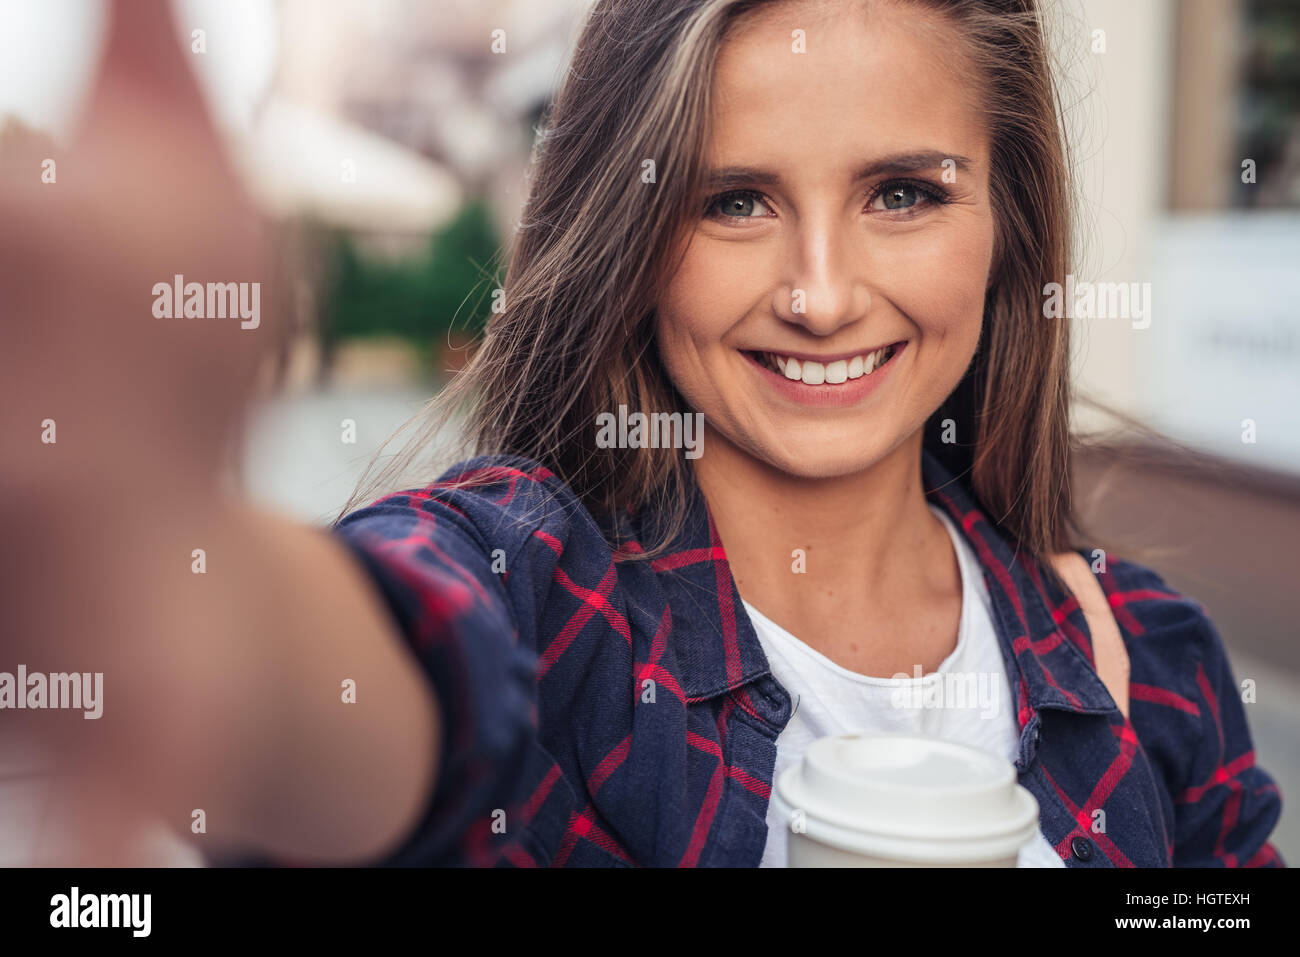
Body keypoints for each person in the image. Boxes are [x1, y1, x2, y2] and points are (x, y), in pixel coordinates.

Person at [0, 0, 1283, 868]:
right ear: (631, 237)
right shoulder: (539, 588)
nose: (823, 293)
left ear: (1006, 224)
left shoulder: (1151, 661)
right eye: (735, 201)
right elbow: (380, 675)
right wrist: (155, 559)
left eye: (903, 194)